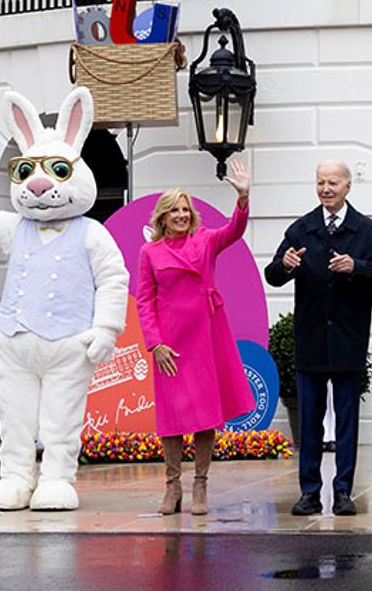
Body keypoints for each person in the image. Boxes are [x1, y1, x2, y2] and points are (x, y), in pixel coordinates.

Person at [265, 162, 372, 517]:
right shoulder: (302, 228)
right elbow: (273, 274)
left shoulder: (367, 231)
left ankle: (343, 492)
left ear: (348, 187)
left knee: (346, 421)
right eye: (320, 182)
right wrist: (287, 264)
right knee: (309, 421)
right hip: (310, 340)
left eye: (332, 183)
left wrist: (358, 267)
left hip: (348, 339)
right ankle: (309, 492)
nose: (325, 188)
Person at [136, 159, 255, 516]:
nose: (182, 215)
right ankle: (173, 488)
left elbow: (233, 230)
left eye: (186, 209)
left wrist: (244, 197)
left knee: (205, 414)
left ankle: (200, 485)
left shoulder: (205, 241)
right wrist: (155, 344)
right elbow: (145, 299)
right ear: (162, 216)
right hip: (169, 341)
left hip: (206, 335)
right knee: (172, 418)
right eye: (174, 210)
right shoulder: (149, 252)